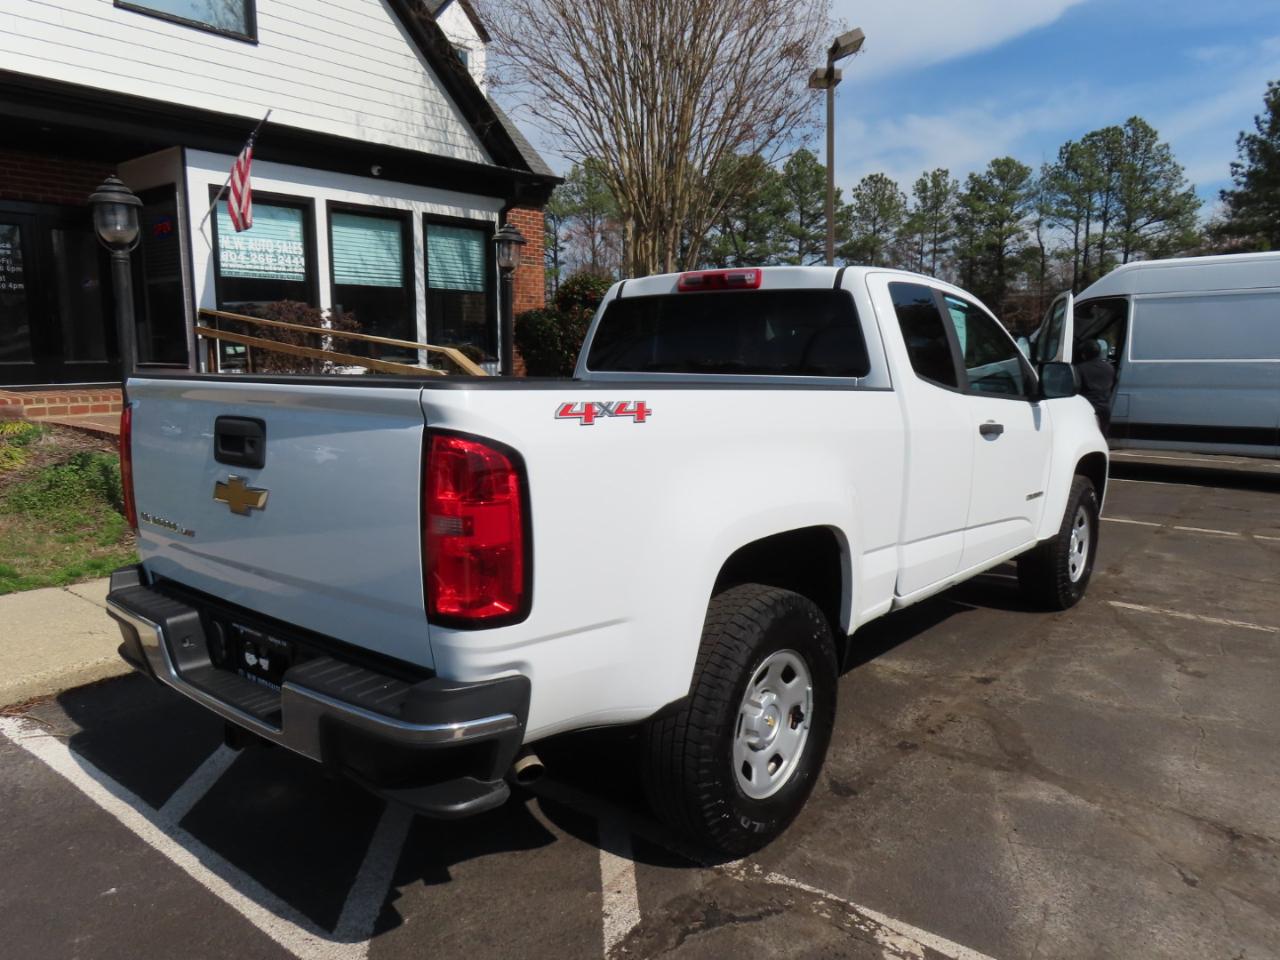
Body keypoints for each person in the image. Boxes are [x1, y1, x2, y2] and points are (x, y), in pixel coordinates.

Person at [1075, 338, 1116, 434]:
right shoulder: (1110, 368)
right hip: (1104, 410)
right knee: (1102, 436)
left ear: (1084, 354)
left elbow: (1076, 389)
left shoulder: (1079, 368)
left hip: (1086, 409)